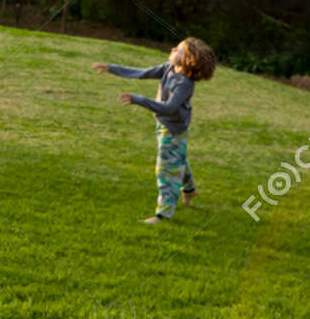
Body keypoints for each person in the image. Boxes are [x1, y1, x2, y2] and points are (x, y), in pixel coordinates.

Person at [92, 38, 218, 224]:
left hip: (173, 129)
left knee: (165, 169)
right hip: (165, 125)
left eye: (179, 49)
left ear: (188, 60)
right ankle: (190, 191)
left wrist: (138, 99)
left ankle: (163, 215)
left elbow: (169, 108)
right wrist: (111, 68)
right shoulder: (168, 68)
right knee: (177, 158)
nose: (173, 48)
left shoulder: (184, 84)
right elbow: (142, 73)